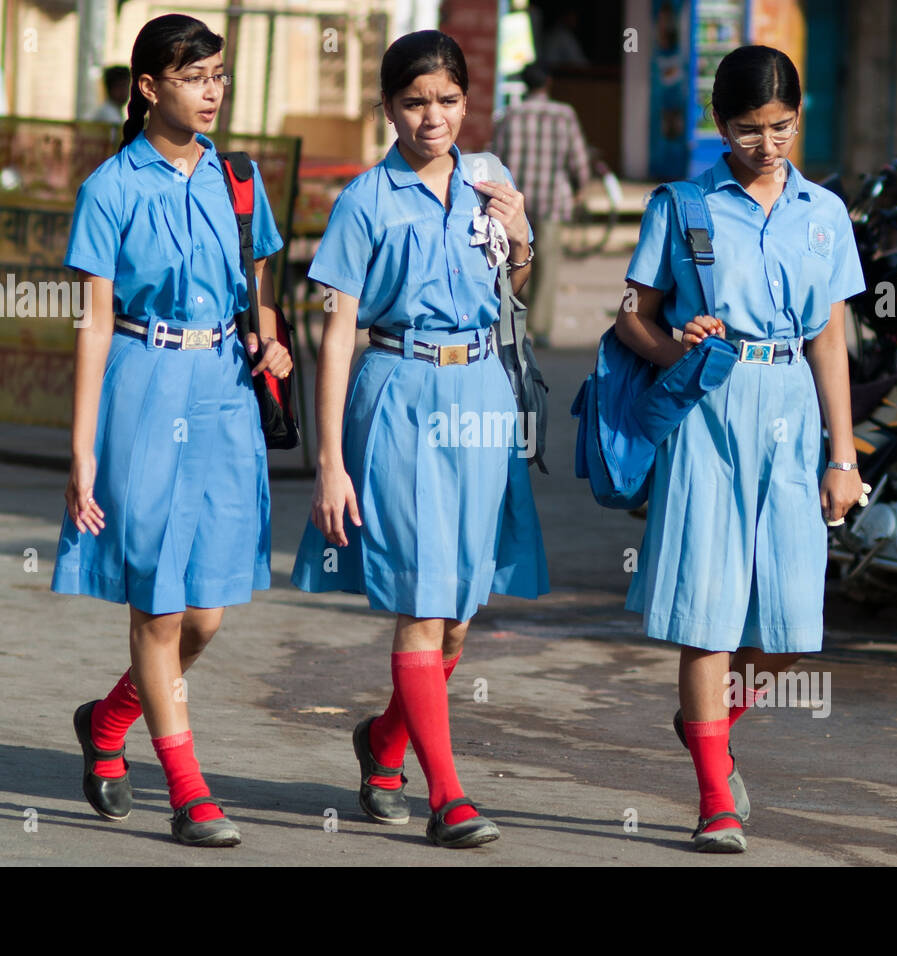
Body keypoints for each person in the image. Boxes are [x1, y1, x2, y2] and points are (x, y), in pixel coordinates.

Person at [290, 29, 549, 849]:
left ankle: (385, 742)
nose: (431, 118)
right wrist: (329, 463)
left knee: (463, 610)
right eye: (413, 103)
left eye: (446, 101)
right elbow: (335, 336)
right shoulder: (366, 200)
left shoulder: (490, 179)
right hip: (398, 395)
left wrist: (522, 237)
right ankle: (449, 795)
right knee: (422, 601)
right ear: (387, 108)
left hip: (482, 397)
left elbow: (510, 287)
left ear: (468, 103)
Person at [614, 45, 866, 853]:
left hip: (793, 404)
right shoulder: (683, 205)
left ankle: (707, 725)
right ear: (720, 125)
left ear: (801, 116)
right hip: (706, 412)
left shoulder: (824, 212)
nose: (766, 143)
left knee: (792, 625)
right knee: (708, 610)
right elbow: (633, 315)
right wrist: (675, 350)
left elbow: (831, 341)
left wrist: (843, 455)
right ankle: (715, 799)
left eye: (782, 126)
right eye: (749, 129)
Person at [50, 13, 292, 848]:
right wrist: (81, 452)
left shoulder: (239, 179)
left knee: (208, 613)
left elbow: (258, 288)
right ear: (150, 87)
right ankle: (189, 793)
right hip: (141, 386)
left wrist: (269, 340)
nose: (213, 90)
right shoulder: (110, 189)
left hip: (224, 390)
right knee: (157, 604)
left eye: (220, 75)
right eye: (195, 77)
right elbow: (91, 325)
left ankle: (108, 719)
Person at [491, 62, 591, 347]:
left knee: (518, 260)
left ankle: (518, 319)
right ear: (547, 82)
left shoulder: (508, 115)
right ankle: (541, 328)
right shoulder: (564, 115)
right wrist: (581, 188)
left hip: (514, 203)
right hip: (552, 201)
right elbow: (578, 157)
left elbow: (496, 159)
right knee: (547, 265)